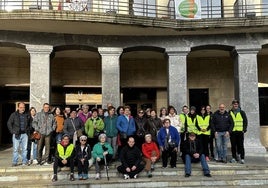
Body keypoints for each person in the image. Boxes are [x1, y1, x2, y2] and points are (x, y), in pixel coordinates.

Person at [7, 102, 31, 166]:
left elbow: (30, 124)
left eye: (23, 107)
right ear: (18, 107)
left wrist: (28, 130)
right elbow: (9, 123)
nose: (22, 108)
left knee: (25, 149)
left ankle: (24, 161)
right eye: (21, 107)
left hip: (25, 134)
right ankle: (15, 162)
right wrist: (12, 131)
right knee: (15, 149)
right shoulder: (14, 114)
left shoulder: (27, 114)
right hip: (16, 134)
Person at [229, 100, 248, 164]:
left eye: (236, 104)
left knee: (241, 145)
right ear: (232, 105)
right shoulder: (230, 112)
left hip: (240, 131)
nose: (235, 105)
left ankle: (242, 158)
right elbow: (228, 122)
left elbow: (245, 121)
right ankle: (234, 157)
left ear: (238, 105)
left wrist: (244, 129)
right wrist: (229, 130)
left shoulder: (242, 112)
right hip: (233, 131)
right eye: (234, 104)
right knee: (233, 145)